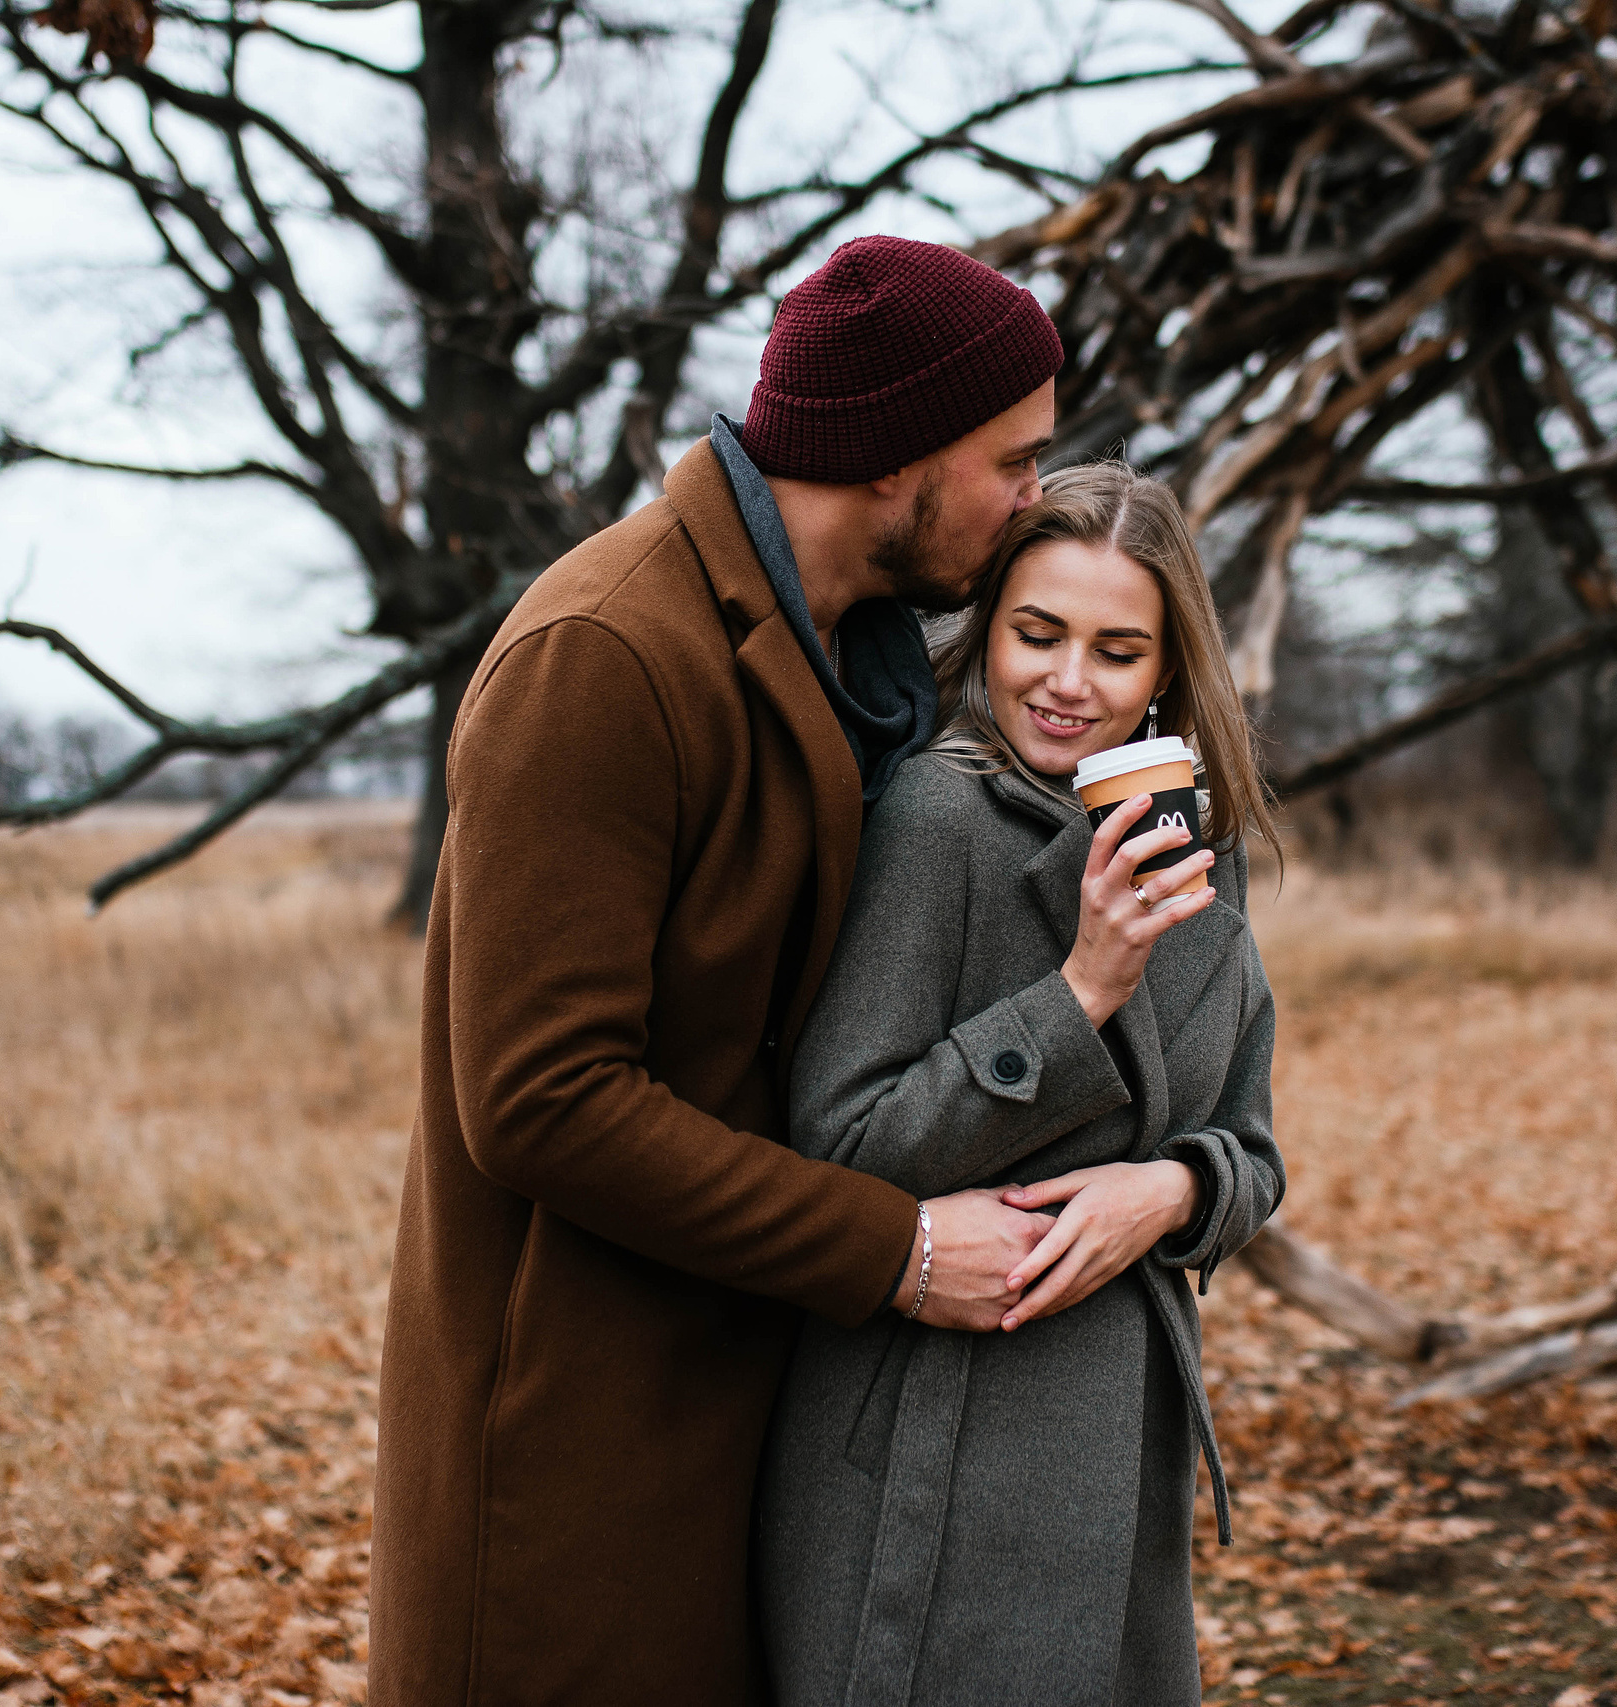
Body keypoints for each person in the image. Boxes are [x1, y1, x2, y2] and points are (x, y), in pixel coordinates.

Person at [366, 237, 1197, 1707]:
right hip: (580, 1438)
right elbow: (542, 1099)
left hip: (771, 1423)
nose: (1027, 500)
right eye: (1012, 461)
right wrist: (900, 1247)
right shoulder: (605, 650)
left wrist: (1169, 1166)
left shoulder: (871, 659)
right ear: (895, 458)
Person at [756, 462, 1286, 1707]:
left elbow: (1254, 1153)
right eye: (1036, 633)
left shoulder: (1199, 855)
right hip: (932, 1451)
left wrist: (1165, 1194)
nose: (1065, 681)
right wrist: (1081, 990)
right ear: (986, 627)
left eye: (1115, 650)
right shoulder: (934, 821)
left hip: (1120, 1445)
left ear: (1166, 670)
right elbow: (843, 1150)